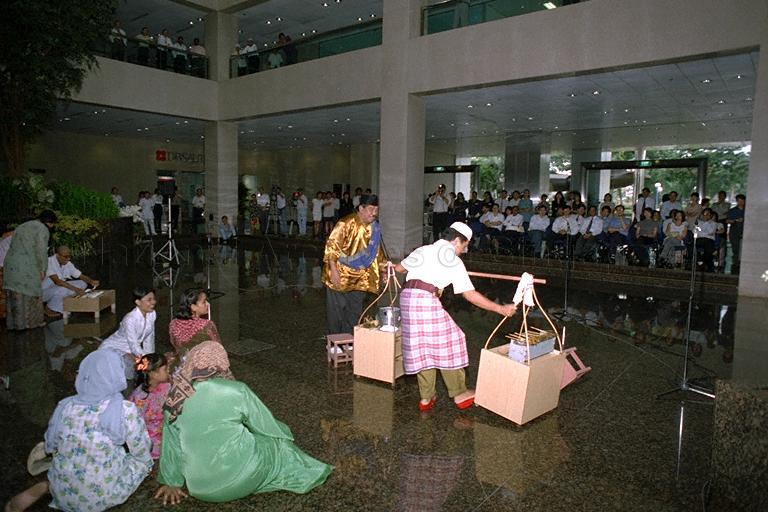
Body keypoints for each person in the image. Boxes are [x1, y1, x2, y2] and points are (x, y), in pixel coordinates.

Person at [155, 341, 332, 505]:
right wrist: (285, 432)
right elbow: (264, 424)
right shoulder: (237, 390)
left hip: (200, 488)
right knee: (277, 443)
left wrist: (171, 482)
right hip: (242, 478)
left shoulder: (175, 400)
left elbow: (172, 445)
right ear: (221, 362)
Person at [5, 350, 152, 512]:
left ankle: (49, 484)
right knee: (142, 462)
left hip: (62, 492)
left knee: (74, 457)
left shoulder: (66, 406)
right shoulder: (125, 409)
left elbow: (56, 445)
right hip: (101, 498)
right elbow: (141, 451)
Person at [394, 222, 516, 411]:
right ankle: (459, 393)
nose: (464, 251)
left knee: (423, 346)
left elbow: (399, 269)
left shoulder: (423, 250)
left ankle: (426, 397)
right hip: (425, 300)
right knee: (452, 340)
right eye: (464, 246)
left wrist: (389, 268)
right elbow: (470, 295)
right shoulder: (452, 259)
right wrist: (500, 309)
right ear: (457, 240)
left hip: (407, 299)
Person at [322, 194, 385, 334]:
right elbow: (332, 247)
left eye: (376, 209)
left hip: (360, 277)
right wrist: (333, 271)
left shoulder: (375, 227)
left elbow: (377, 252)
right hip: (340, 274)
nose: (374, 213)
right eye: (370, 209)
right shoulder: (345, 223)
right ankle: (335, 343)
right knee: (336, 313)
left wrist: (383, 270)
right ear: (361, 208)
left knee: (354, 312)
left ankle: (349, 341)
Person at [3, 210, 57, 330]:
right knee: (31, 292)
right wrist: (43, 268)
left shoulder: (22, 226)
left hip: (11, 263)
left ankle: (14, 325)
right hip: (27, 264)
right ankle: (30, 323)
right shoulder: (42, 229)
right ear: (49, 222)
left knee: (14, 293)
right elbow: (41, 250)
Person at [99, 287, 157, 376]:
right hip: (114, 349)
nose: (153, 302)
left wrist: (151, 358)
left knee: (147, 367)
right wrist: (147, 361)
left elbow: (149, 338)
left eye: (153, 299)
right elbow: (133, 345)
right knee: (133, 368)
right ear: (138, 302)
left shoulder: (152, 314)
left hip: (131, 350)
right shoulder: (130, 319)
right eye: (149, 300)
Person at [129, 353, 170, 460]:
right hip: (150, 437)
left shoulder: (166, 386)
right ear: (153, 374)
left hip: (164, 429)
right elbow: (136, 425)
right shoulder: (139, 398)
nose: (168, 371)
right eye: (165, 369)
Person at [41, 245, 99, 317]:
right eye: (65, 256)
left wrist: (91, 281)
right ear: (58, 255)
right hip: (44, 292)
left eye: (69, 256)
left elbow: (80, 275)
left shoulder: (67, 263)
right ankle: (49, 308)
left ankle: (59, 303)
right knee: (64, 288)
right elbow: (57, 281)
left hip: (57, 288)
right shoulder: (49, 262)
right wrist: (76, 289)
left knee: (82, 283)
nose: (68, 259)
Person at [726, 194, 745, 274]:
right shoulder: (732, 211)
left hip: (745, 232)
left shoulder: (748, 210)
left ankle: (743, 265)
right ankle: (735, 266)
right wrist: (734, 220)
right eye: (739, 201)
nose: (741, 202)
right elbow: (727, 220)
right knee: (736, 249)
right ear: (737, 201)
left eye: (742, 201)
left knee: (744, 250)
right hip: (734, 232)